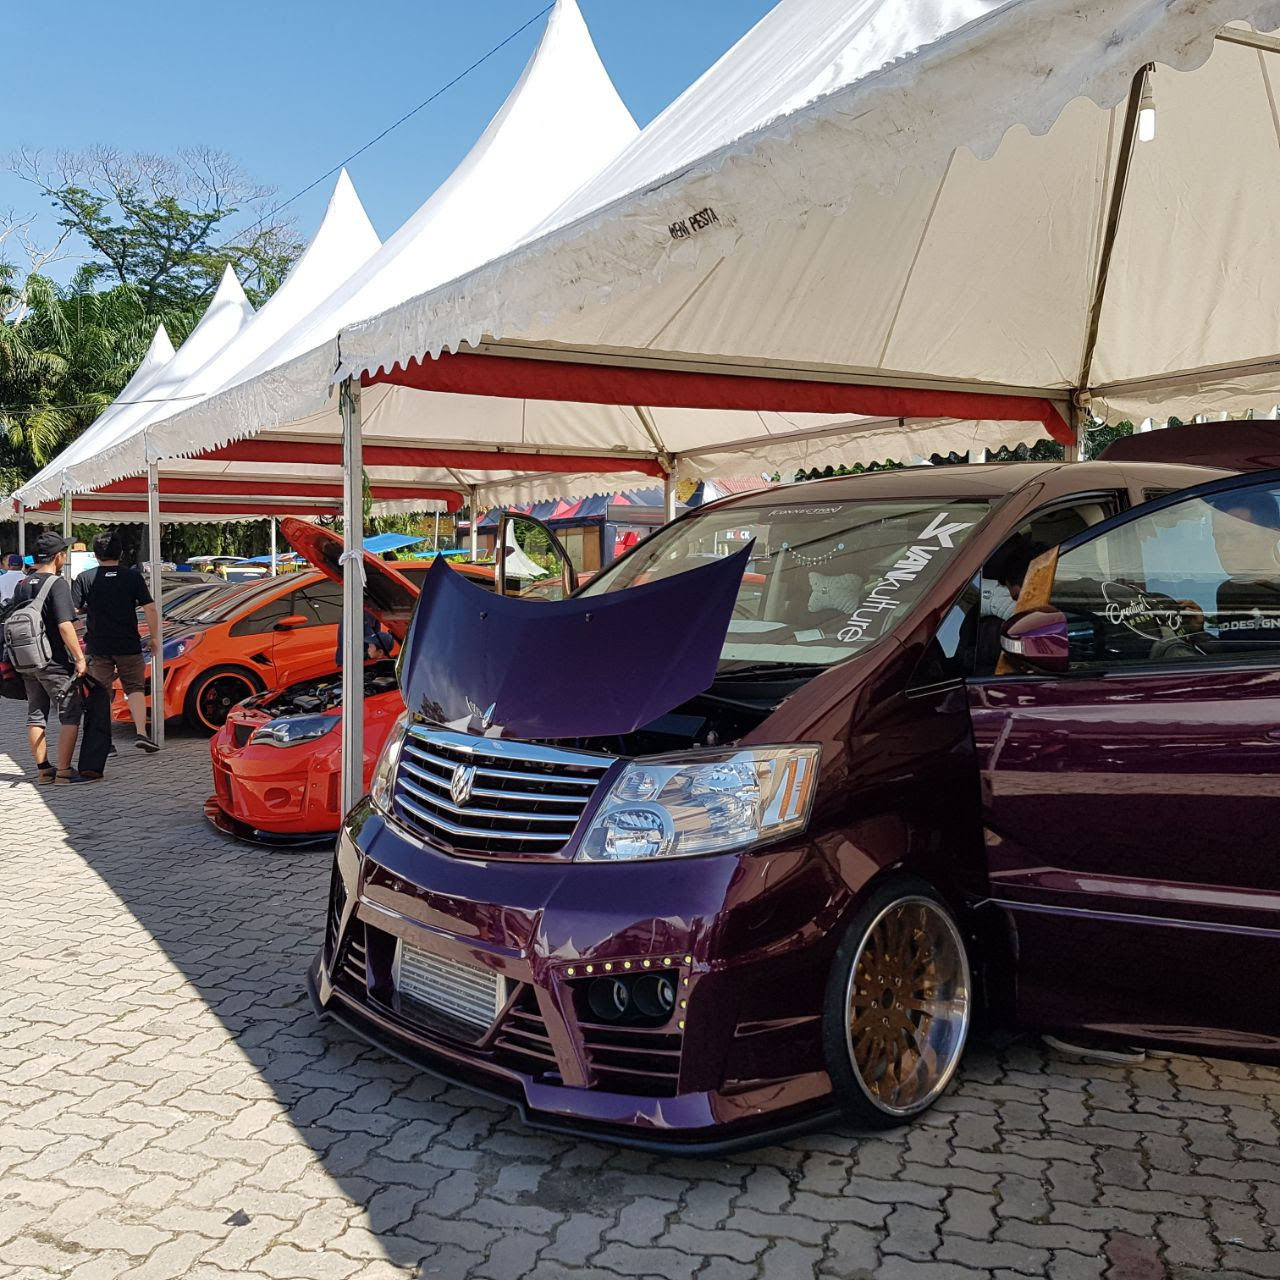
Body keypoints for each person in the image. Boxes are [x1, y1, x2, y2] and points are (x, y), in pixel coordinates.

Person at [73, 530, 161, 752]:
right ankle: (142, 733)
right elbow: (149, 607)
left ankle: (104, 741)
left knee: (100, 692)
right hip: (128, 643)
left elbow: (73, 613)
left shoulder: (85, 579)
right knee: (135, 688)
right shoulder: (132, 577)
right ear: (121, 553)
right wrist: (155, 637)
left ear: (95, 554)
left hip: (98, 644)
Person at [11, 532, 88, 784]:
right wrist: (79, 657)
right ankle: (65, 771)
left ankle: (44, 770)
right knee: (70, 714)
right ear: (58, 557)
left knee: (35, 715)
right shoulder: (57, 584)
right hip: (54, 661)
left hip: (27, 661)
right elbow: (65, 625)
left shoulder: (22, 584)